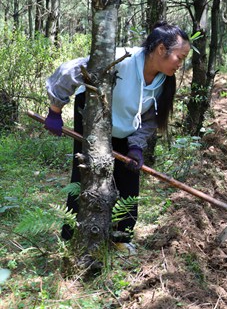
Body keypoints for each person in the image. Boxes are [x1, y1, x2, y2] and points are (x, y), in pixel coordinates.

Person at [44, 21, 191, 250]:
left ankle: (120, 240)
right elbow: (69, 70)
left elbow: (150, 119)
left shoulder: (163, 81)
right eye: (180, 57)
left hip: (125, 126)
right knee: (86, 175)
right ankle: (72, 237)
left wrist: (136, 147)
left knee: (129, 182)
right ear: (161, 49)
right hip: (93, 118)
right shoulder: (121, 60)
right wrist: (55, 110)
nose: (181, 64)